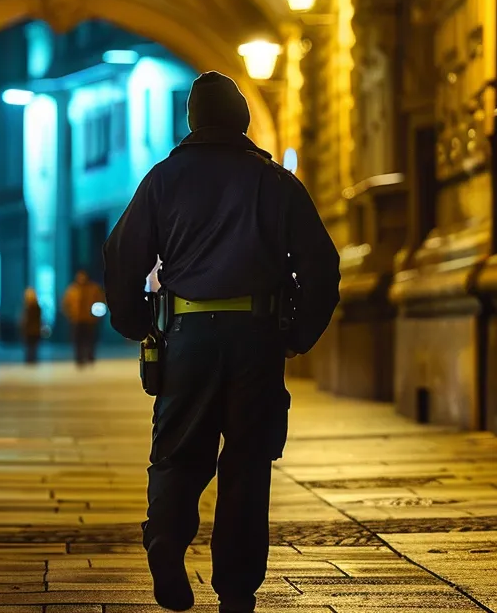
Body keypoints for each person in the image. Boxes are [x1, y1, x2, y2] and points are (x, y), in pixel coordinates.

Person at [103, 70, 340, 613]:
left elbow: (122, 254)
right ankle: (235, 588)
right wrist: (299, 333)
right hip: (256, 339)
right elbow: (322, 267)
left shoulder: (162, 180)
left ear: (192, 122)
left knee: (178, 455)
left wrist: (138, 322)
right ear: (243, 121)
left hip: (186, 338)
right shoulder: (276, 183)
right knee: (248, 464)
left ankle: (165, 541)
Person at [61, 270, 107, 367]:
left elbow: (100, 301)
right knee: (77, 341)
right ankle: (79, 358)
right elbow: (66, 304)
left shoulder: (94, 289)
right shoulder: (72, 290)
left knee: (90, 340)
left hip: (90, 320)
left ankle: (90, 357)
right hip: (77, 320)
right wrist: (70, 315)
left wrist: (96, 316)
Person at [20, 288, 44, 364]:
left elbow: (27, 320)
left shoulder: (33, 308)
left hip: (32, 330)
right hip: (33, 330)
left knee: (31, 348)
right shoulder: (34, 307)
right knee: (31, 348)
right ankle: (31, 361)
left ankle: (31, 361)